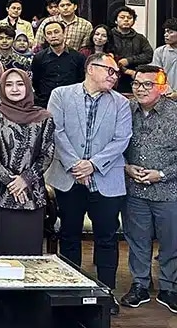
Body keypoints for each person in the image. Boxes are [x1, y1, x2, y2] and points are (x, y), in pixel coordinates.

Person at [46, 54, 132, 313]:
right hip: (68, 179)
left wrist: (92, 164)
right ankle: (71, 290)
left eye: (116, 73)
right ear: (90, 69)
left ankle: (106, 294)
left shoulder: (121, 103)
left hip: (106, 179)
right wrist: (76, 164)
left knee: (106, 238)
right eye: (110, 70)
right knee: (69, 235)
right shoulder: (61, 95)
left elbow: (122, 139)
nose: (114, 76)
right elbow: (56, 131)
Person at [120, 65, 177, 316]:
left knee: (170, 243)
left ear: (162, 87)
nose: (140, 89)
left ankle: (169, 288)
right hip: (135, 189)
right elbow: (115, 144)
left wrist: (162, 174)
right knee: (137, 241)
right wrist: (126, 167)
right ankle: (140, 285)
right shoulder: (125, 111)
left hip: (173, 191)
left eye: (147, 84)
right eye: (136, 84)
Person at [0, 69, 55, 255]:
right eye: (9, 85)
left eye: (19, 84)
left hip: (31, 194)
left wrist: (25, 179)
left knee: (29, 254)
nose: (15, 89)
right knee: (2, 252)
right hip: (2, 194)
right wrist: (10, 181)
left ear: (27, 87)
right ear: (2, 88)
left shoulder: (44, 118)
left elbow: (47, 153)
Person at [31, 19, 86, 107]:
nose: (53, 36)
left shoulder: (78, 57)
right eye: (49, 33)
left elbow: (81, 80)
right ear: (45, 37)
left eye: (56, 32)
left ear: (64, 33)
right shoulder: (39, 57)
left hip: (71, 102)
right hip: (46, 102)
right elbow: (36, 81)